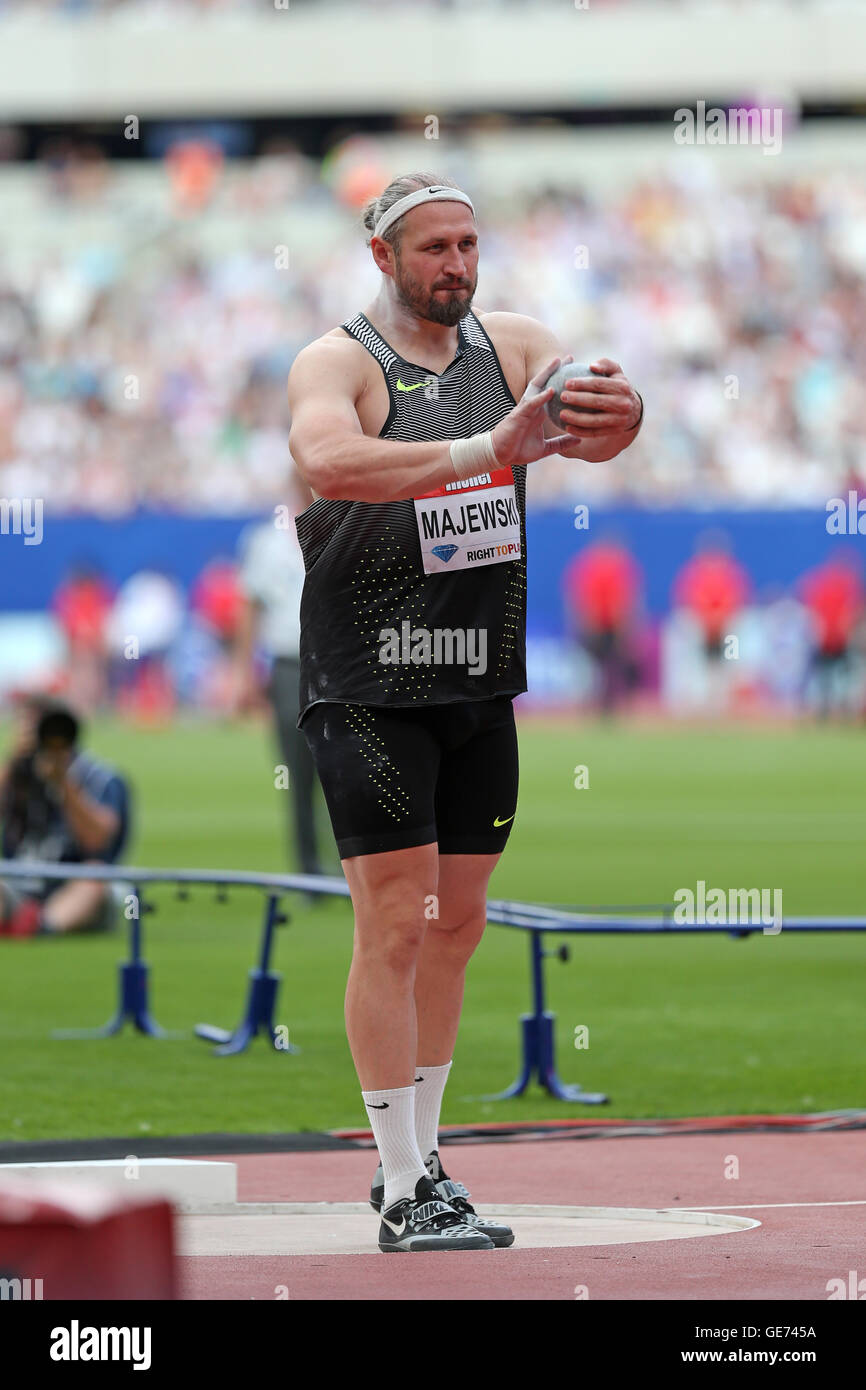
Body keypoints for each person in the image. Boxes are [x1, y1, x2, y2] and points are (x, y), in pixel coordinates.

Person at [286, 172, 643, 1252]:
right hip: (369, 677)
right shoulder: (338, 359)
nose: (456, 264)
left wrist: (619, 416)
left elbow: (597, 419)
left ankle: (425, 1161)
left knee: (456, 926)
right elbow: (324, 458)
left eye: (468, 244)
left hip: (478, 674)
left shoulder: (517, 345)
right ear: (383, 257)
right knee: (392, 921)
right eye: (434, 247)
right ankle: (400, 1189)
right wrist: (482, 452)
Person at [233, 469, 326, 882]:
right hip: (290, 664)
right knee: (298, 770)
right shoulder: (267, 542)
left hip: (338, 662)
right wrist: (243, 672)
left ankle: (357, 868)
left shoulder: (346, 523)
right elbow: (251, 608)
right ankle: (308, 870)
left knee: (349, 769)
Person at [0, 701, 131, 938]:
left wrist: (63, 783)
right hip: (19, 882)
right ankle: (22, 921)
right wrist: (12, 762)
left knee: (94, 877)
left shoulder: (100, 777)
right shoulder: (17, 774)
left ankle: (40, 926)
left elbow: (98, 841)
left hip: (76, 886)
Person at [563, 536, 642, 713]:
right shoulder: (599, 568)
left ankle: (610, 703)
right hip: (600, 627)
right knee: (601, 668)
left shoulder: (611, 568)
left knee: (609, 668)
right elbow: (586, 601)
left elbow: (624, 602)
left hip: (606, 627)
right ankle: (600, 704)